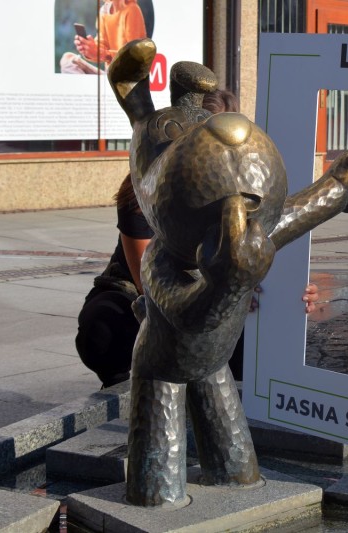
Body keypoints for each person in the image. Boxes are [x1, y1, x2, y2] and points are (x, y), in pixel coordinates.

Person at [75, 88, 319, 387]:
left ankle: (232, 387)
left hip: (218, 291)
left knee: (251, 335)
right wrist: (229, 291)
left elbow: (276, 236)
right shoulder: (147, 191)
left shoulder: (250, 185)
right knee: (103, 329)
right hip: (147, 293)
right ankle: (122, 385)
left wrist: (292, 291)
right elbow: (149, 284)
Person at [60, 0, 147, 74]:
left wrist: (104, 54)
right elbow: (101, 48)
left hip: (127, 80)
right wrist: (88, 49)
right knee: (68, 59)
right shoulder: (104, 11)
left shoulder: (132, 10)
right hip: (108, 77)